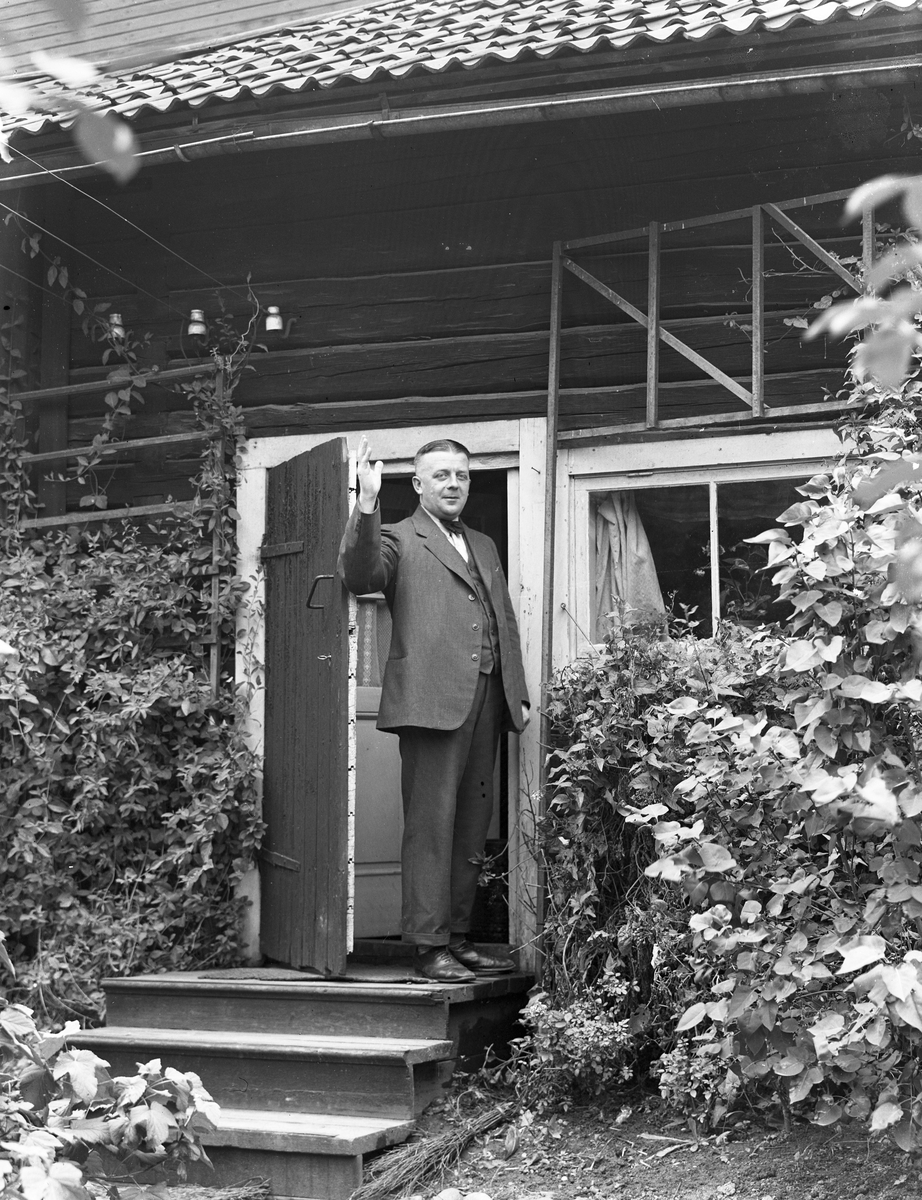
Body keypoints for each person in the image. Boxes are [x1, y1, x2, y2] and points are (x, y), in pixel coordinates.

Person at [339, 436, 530, 982]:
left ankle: (458, 937)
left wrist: (514, 687)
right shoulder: (398, 537)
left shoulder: (484, 544)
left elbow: (503, 619)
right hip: (429, 703)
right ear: (418, 483)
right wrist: (367, 503)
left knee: (471, 823)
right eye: (441, 475)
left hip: (485, 697)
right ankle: (427, 947)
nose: (453, 484)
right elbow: (360, 576)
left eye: (461, 475)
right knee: (430, 826)